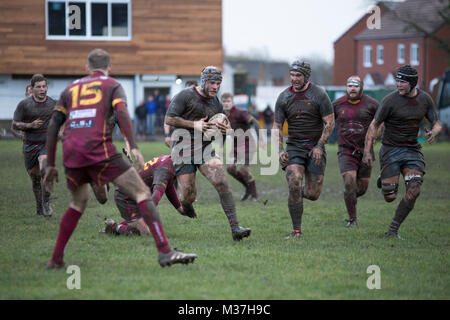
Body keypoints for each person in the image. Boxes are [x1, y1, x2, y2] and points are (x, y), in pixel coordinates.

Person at [43, 48, 197, 269]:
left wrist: (50, 164)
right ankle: (165, 251)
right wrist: (133, 145)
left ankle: (56, 259)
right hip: (100, 149)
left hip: (71, 152)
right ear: (109, 68)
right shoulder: (112, 85)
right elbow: (122, 113)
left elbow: (53, 124)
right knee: (142, 193)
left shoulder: (70, 89)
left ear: (87, 68)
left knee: (77, 203)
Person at [165, 66, 251, 241]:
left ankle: (235, 228)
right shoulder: (185, 95)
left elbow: (222, 125)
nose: (215, 87)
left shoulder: (215, 102)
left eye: (218, 84)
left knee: (221, 181)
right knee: (188, 195)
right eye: (212, 83)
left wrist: (226, 130)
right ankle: (186, 205)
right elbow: (169, 118)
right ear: (203, 81)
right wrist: (193, 124)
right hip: (183, 149)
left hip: (205, 149)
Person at [363, 65, 442, 239]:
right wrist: (367, 151)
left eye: (402, 82)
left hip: (412, 150)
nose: (398, 85)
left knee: (414, 190)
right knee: (390, 196)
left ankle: (393, 229)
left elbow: (437, 123)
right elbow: (374, 125)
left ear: (412, 83)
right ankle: (385, 179)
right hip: (390, 149)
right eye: (397, 81)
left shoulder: (425, 99)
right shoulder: (389, 100)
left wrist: (434, 132)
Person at [273, 60, 335, 239]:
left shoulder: (319, 94)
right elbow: (277, 126)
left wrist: (320, 146)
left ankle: (296, 194)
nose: (294, 79)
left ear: (306, 76)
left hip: (315, 146)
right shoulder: (284, 97)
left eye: (298, 75)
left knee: (313, 194)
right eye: (292, 75)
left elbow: (329, 123)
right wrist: (279, 150)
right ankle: (296, 231)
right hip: (294, 146)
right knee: (294, 179)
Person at [333, 76, 380, 227]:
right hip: (345, 150)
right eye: (349, 85)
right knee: (349, 182)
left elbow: (382, 121)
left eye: (356, 86)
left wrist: (376, 135)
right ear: (346, 87)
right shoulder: (337, 104)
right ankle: (352, 219)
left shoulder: (372, 104)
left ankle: (350, 196)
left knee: (362, 188)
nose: (352, 88)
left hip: (366, 150)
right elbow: (326, 120)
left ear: (361, 87)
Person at [101, 154, 185, 236]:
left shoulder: (169, 161)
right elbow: (157, 193)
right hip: (125, 195)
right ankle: (114, 227)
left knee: (140, 222)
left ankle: (113, 227)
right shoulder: (165, 169)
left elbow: (169, 187)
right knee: (144, 232)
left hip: (137, 195)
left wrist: (180, 208)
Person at [12, 74, 56, 216]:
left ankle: (46, 202)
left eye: (44, 86)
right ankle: (39, 207)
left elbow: (63, 120)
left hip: (46, 145)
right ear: (32, 88)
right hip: (29, 146)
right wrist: (29, 125)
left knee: (46, 170)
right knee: (36, 180)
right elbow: (14, 124)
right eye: (39, 87)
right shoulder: (24, 105)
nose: (42, 89)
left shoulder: (53, 104)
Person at [221, 92, 261, 201]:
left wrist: (261, 139)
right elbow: (224, 133)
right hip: (235, 146)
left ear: (233, 102)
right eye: (224, 101)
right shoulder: (223, 117)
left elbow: (255, 123)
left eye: (228, 101)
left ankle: (254, 194)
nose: (226, 103)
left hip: (248, 145)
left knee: (244, 170)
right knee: (230, 168)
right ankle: (248, 187)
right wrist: (220, 147)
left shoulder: (240, 113)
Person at [164, 81, 198, 148]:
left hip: (196, 138)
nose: (190, 92)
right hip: (179, 137)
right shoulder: (178, 100)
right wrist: (167, 136)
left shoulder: (201, 103)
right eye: (188, 89)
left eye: (192, 89)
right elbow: (167, 119)